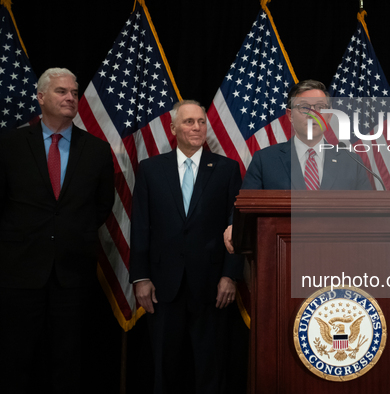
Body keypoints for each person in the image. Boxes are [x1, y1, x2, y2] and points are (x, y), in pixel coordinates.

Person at [0, 67, 115, 393]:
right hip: (19, 271)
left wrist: (69, 233)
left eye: (74, 93)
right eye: (61, 92)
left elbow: (102, 205)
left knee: (69, 359)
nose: (69, 98)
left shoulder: (96, 149)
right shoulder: (9, 144)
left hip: (73, 271)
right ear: (40, 97)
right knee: (15, 358)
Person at [129, 100, 243, 393]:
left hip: (212, 287)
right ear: (173, 128)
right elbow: (141, 226)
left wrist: (230, 276)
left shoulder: (226, 169)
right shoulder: (150, 169)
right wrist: (140, 278)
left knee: (211, 369)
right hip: (163, 288)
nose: (196, 127)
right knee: (164, 370)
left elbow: (236, 227)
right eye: (189, 121)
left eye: (201, 122)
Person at [225, 79, 372, 252]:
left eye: (320, 108)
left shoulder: (351, 161)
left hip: (340, 258)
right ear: (290, 115)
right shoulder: (265, 160)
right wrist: (234, 226)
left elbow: (369, 214)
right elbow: (245, 210)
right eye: (304, 108)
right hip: (281, 256)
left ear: (329, 116)